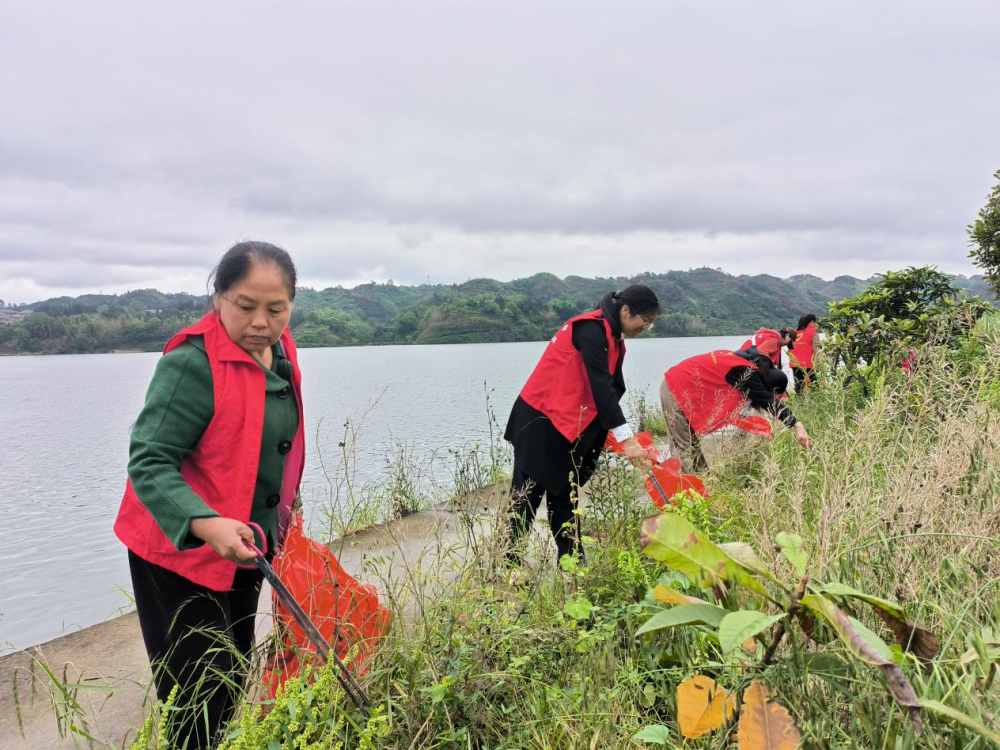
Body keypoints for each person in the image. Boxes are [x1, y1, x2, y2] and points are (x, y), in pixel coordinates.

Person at [114, 241, 305, 748]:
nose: (260, 321)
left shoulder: (281, 353)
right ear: (218, 297)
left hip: (246, 544)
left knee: (233, 672)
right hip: (179, 550)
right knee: (200, 691)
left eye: (276, 308)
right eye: (245, 306)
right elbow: (149, 461)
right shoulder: (192, 363)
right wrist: (205, 523)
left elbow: (273, 448)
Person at [504, 285, 660, 565]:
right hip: (540, 420)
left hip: (565, 423)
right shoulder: (591, 330)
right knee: (527, 496)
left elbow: (609, 388)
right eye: (644, 322)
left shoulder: (612, 335)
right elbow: (601, 388)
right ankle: (508, 563)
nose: (644, 328)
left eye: (649, 325)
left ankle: (574, 564)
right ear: (626, 311)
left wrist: (609, 435)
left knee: (566, 494)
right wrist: (627, 440)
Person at [659, 340, 813, 472]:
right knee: (683, 449)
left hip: (681, 387)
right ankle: (682, 496)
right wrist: (797, 424)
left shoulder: (747, 362)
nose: (776, 398)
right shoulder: (745, 373)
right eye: (776, 395)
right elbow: (770, 403)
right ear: (769, 388)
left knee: (692, 447)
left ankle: (705, 487)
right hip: (675, 389)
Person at [790, 313, 819, 393]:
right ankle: (818, 402)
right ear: (812, 322)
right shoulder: (813, 332)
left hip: (795, 363)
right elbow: (817, 349)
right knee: (814, 386)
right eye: (815, 323)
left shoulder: (794, 332)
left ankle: (800, 404)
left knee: (798, 386)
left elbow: (790, 349)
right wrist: (818, 363)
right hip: (808, 363)